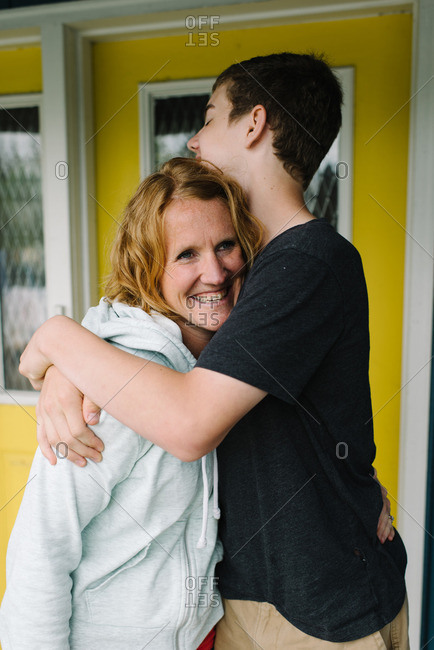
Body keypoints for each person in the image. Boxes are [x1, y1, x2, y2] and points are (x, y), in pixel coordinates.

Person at [18, 53, 408, 647]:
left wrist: (55, 338)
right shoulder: (249, 288)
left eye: (208, 117)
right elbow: (41, 555)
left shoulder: (300, 264)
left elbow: (189, 419)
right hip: (244, 606)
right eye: (187, 255)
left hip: (315, 610)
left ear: (253, 124)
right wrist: (67, 367)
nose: (196, 139)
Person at [0, 158, 263, 649]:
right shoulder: (112, 386)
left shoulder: (221, 365)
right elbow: (42, 547)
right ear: (148, 270)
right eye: (186, 254)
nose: (215, 271)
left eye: (225, 245)